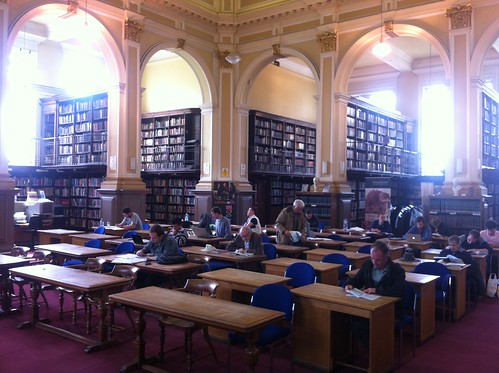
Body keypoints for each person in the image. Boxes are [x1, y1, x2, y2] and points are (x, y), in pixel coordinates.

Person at [344, 240, 405, 346]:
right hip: (369, 305)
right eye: (372, 258)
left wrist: (376, 290)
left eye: (378, 260)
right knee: (344, 319)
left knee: (361, 325)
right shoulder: (368, 265)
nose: (374, 262)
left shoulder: (397, 270)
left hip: (389, 309)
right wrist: (350, 284)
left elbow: (398, 291)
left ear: (387, 257)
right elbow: (357, 279)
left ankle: (377, 355)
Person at [440, 235, 485, 300]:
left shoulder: (465, 254)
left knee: (453, 282)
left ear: (459, 244)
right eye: (450, 245)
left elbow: (472, 268)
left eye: (454, 245)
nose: (452, 247)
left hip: (463, 275)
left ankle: (454, 302)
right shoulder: (444, 252)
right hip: (447, 273)